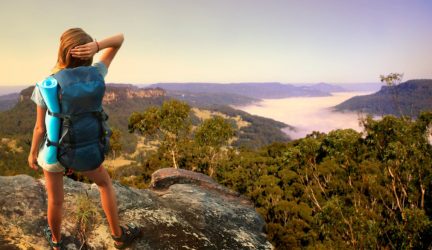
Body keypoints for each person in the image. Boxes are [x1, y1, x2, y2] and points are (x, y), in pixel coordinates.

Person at [28, 28, 140, 249]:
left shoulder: (47, 83)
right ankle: (118, 237)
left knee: (55, 201)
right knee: (104, 184)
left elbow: (40, 128)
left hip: (54, 152)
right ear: (88, 53)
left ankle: (56, 242)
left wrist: (32, 154)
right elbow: (120, 38)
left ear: (62, 51)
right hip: (86, 147)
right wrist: (98, 45)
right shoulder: (97, 72)